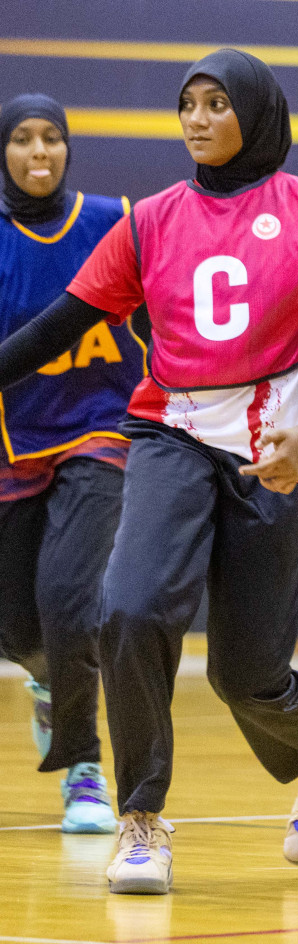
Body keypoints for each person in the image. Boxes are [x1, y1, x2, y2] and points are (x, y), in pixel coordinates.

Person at [0, 50, 298, 895]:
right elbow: (58, 328)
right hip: (170, 430)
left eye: (215, 104)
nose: (197, 119)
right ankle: (141, 820)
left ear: (256, 113)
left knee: (245, 674)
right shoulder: (150, 221)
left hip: (278, 443)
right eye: (186, 105)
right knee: (127, 609)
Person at [0, 94, 142, 834]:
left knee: (68, 598)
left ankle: (84, 768)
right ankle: (48, 682)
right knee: (19, 629)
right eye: (22, 140)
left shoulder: (110, 220)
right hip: (12, 442)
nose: (39, 153)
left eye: (51, 138)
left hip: (100, 430)